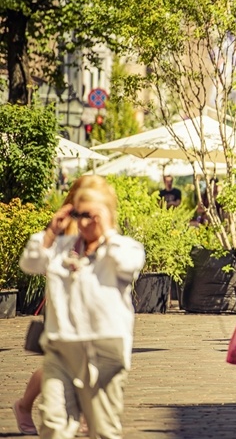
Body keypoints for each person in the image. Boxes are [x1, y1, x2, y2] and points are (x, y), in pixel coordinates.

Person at [19, 175, 146, 438]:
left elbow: (129, 264)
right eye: (80, 215)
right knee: (53, 424)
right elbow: (30, 264)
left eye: (92, 216)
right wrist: (51, 232)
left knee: (103, 430)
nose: (85, 223)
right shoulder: (61, 248)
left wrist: (107, 231)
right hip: (61, 348)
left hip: (105, 351)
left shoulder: (121, 247)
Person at [13, 176, 107, 436]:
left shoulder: (103, 230)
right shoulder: (61, 230)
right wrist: (53, 233)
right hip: (64, 313)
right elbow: (34, 264)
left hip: (94, 314)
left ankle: (82, 415)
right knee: (59, 366)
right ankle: (25, 405)